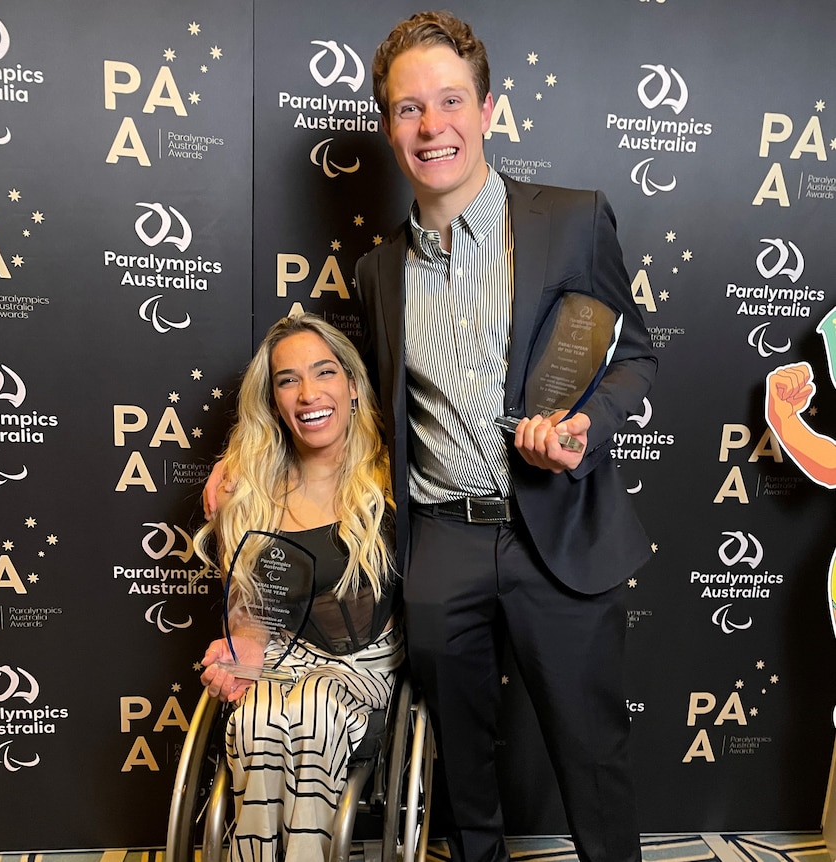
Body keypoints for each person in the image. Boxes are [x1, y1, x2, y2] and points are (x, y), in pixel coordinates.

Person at [207, 11, 656, 862]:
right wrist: (243, 460)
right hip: (442, 543)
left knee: (594, 761)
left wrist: (585, 429)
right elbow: (363, 413)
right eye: (409, 109)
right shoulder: (380, 272)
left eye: (450, 101)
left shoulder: (572, 218)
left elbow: (631, 353)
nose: (431, 126)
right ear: (388, 129)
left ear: (487, 110)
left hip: (556, 532)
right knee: (463, 777)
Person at [196, 313, 403, 862]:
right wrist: (240, 649)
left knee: (312, 710)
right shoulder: (251, 491)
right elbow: (251, 617)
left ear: (353, 387)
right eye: (288, 380)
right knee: (256, 719)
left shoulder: (396, 475)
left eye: (324, 372)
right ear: (273, 400)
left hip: (365, 665)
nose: (308, 392)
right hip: (282, 663)